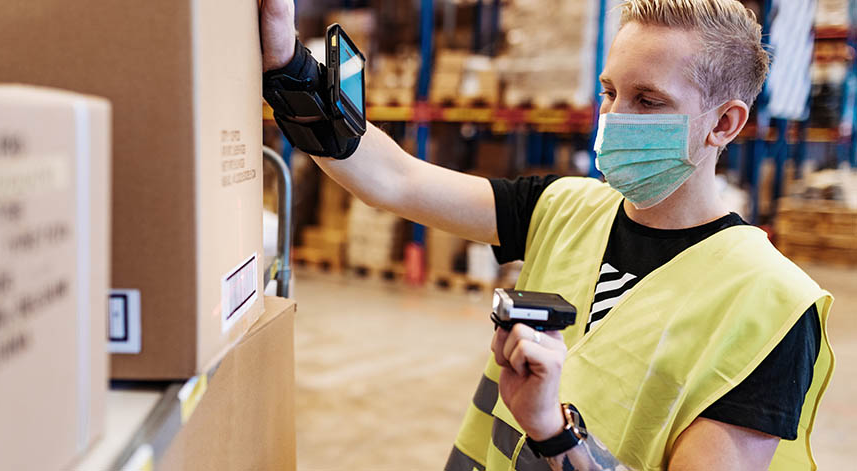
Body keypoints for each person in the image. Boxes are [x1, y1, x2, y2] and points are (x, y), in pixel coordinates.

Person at [259, 0, 835, 469]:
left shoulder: (772, 305)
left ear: (725, 123)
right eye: (610, 92)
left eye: (648, 100)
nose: (614, 117)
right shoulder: (562, 206)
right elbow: (396, 180)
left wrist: (553, 433)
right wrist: (287, 65)